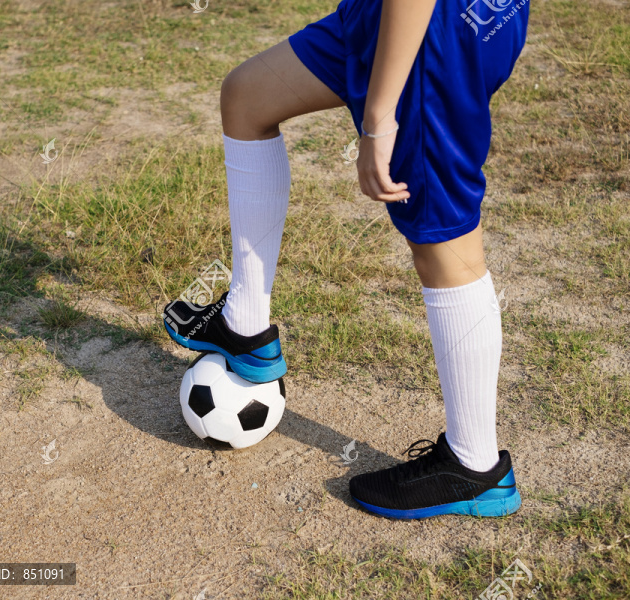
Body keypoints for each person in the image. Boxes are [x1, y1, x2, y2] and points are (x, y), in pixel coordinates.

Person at [163, 0, 529, 519]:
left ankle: (474, 465)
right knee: (248, 95)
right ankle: (244, 326)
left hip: (430, 33)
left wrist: (379, 119)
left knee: (442, 242)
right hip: (389, 17)